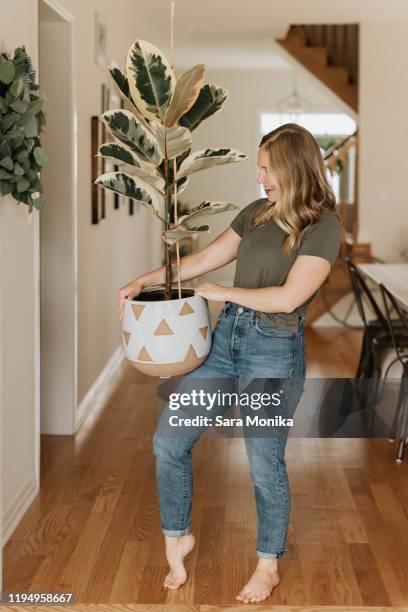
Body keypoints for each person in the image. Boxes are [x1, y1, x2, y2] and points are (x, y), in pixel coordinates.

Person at [117, 123, 343, 603]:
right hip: (226, 342)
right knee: (169, 441)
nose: (261, 178)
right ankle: (177, 537)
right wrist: (143, 280)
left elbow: (289, 298)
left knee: (264, 465)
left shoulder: (323, 227)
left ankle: (268, 564)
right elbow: (200, 262)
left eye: (267, 169)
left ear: (293, 168)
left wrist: (223, 293)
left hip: (274, 349)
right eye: (259, 169)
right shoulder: (255, 214)